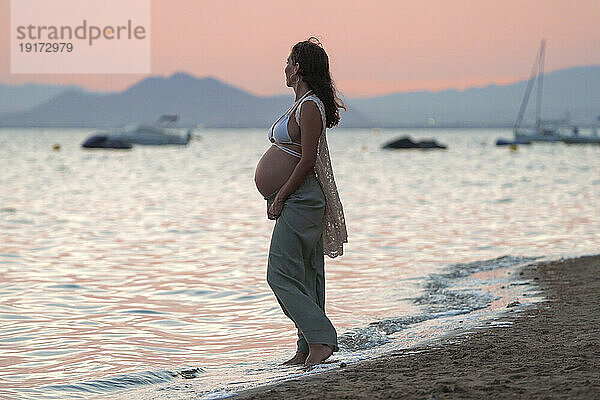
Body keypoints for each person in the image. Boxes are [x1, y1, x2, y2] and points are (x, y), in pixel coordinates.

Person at [254, 37, 348, 366]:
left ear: (297, 68)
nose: (284, 67)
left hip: (301, 199)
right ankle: (307, 345)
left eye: (288, 61)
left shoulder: (309, 106)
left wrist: (279, 196)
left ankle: (321, 340)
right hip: (298, 199)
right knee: (307, 274)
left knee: (279, 273)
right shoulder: (302, 104)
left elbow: (307, 161)